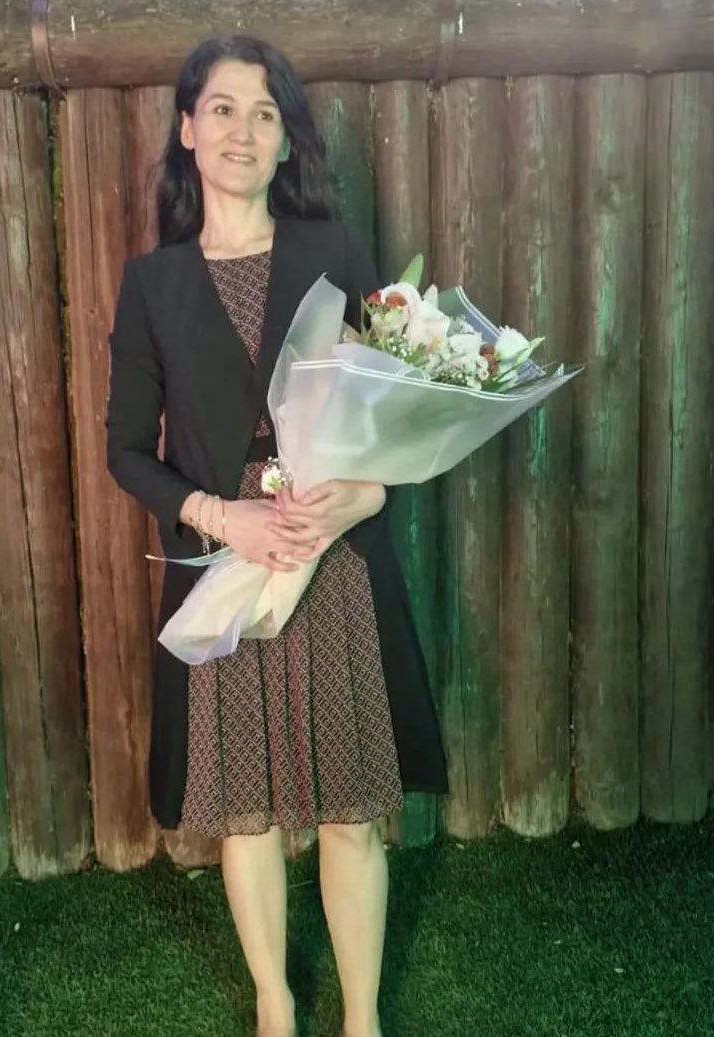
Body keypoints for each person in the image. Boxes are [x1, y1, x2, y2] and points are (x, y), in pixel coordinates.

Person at [105, 33, 449, 1037]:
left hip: (333, 568)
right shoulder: (153, 284)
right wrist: (222, 517)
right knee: (243, 811)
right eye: (221, 109)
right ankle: (274, 1004)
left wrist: (362, 498)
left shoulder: (330, 250)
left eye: (263, 114)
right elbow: (126, 452)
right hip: (226, 577)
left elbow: (395, 409)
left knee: (350, 810)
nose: (241, 131)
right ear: (187, 129)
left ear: (285, 141)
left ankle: (361, 1018)